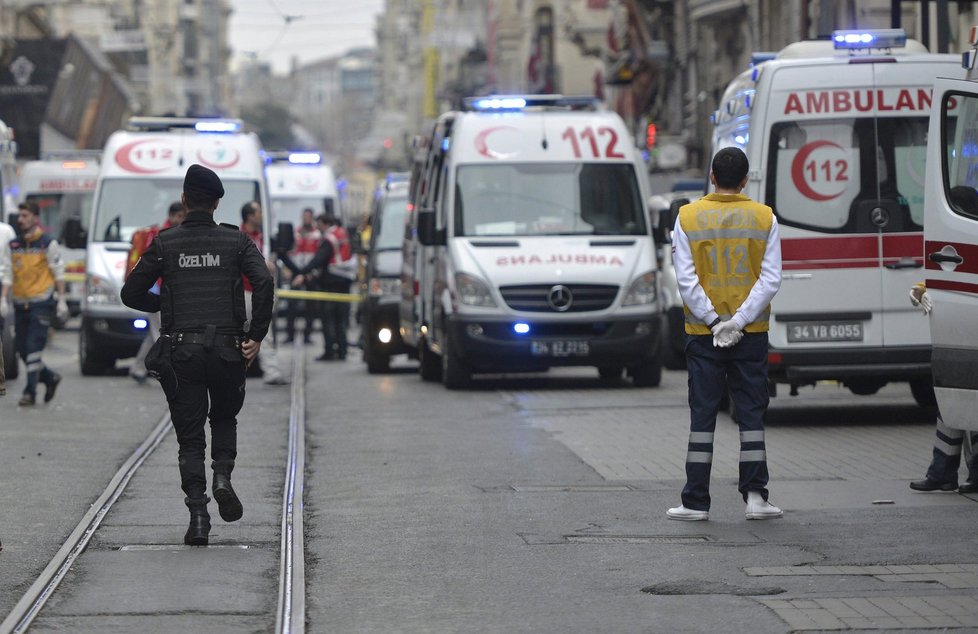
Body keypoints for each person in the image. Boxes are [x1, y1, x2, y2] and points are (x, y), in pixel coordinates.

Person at [121, 164, 274, 546]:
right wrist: (256, 336)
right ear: (218, 203)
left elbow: (130, 293)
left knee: (189, 438)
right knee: (223, 418)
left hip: (182, 352)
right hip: (227, 350)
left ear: (185, 200)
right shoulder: (236, 242)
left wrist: (165, 302)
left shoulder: (164, 243)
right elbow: (265, 280)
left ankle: (199, 516)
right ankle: (222, 474)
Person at [667, 147, 784, 521]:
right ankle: (755, 497)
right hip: (751, 334)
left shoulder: (687, 217)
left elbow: (686, 280)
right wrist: (740, 320)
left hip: (703, 334)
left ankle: (695, 501)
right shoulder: (764, 217)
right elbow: (771, 278)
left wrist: (716, 323)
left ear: (712, 177)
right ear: (747, 179)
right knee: (751, 413)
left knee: (703, 417)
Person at [907, 282, 978, 493]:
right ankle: (944, 473)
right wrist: (921, 289)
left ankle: (948, 473)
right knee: (954, 400)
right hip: (964, 330)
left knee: (967, 403)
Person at [0, 202, 67, 407]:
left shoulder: (47, 243)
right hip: (21, 304)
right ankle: (48, 377)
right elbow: (8, 273)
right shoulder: (14, 245)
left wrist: (61, 299)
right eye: (19, 216)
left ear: (35, 218)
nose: (20, 219)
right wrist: (3, 298)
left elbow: (58, 272)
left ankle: (29, 392)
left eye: (25, 215)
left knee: (33, 347)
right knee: (22, 349)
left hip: (42, 303)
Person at [128, 201, 186, 384]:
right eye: (180, 216)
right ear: (173, 216)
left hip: (160, 289)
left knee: (154, 331)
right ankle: (167, 370)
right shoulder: (164, 235)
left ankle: (138, 368)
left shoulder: (162, 233)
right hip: (159, 290)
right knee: (160, 333)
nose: (182, 220)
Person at [290, 213, 352, 361]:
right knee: (341, 319)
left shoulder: (329, 238)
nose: (317, 227)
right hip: (345, 282)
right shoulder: (341, 233)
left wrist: (302, 273)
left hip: (331, 283)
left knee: (328, 319)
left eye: (319, 224)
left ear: (324, 223)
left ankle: (330, 351)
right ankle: (342, 350)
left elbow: (319, 259)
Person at [240, 201, 288, 385]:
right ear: (250, 216)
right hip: (245, 292)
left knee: (264, 331)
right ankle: (268, 370)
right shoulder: (241, 236)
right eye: (259, 211)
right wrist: (265, 266)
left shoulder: (258, 236)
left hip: (258, 292)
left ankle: (271, 371)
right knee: (247, 331)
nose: (261, 215)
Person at [284, 208, 321, 344]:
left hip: (309, 273)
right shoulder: (296, 233)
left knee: (310, 305)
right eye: (303, 216)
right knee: (291, 304)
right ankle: (290, 334)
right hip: (296, 270)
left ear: (312, 218)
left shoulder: (317, 235)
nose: (305, 219)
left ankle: (307, 335)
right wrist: (288, 270)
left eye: (308, 217)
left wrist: (312, 273)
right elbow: (290, 252)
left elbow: (319, 257)